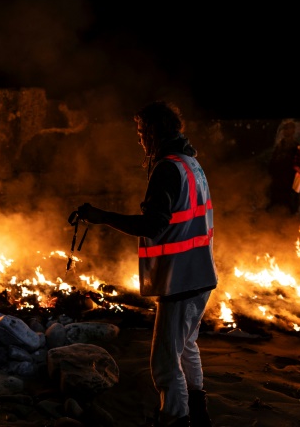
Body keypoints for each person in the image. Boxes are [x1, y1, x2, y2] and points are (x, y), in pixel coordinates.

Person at [73, 100, 217, 427]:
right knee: (185, 348)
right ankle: (199, 413)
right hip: (201, 273)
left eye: (141, 132)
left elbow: (154, 225)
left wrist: (101, 217)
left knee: (165, 362)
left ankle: (175, 419)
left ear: (154, 131)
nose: (139, 139)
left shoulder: (167, 168)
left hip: (181, 278)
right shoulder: (190, 163)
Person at [267, 121, 298, 213]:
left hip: (288, 181)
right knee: (275, 202)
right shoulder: (279, 146)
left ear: (293, 130)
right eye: (285, 129)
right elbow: (272, 162)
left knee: (287, 204)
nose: (285, 131)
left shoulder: (295, 147)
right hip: (277, 180)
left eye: (288, 129)